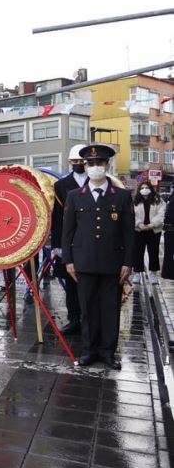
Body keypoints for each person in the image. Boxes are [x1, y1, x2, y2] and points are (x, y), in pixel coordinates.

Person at [62, 144, 134, 369]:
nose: (95, 167)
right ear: (85, 165)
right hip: (83, 262)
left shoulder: (121, 196)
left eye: (99, 163)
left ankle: (108, 353)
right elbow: (68, 231)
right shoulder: (74, 196)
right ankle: (89, 351)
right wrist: (68, 260)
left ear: (107, 165)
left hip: (113, 263)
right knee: (87, 310)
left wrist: (128, 263)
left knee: (110, 309)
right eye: (90, 163)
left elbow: (129, 233)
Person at [51, 144, 88, 334]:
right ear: (69, 162)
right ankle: (74, 319)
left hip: (92, 242)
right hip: (70, 241)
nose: (78, 164)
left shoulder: (98, 181)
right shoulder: (60, 185)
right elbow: (57, 217)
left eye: (82, 161)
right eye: (75, 161)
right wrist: (57, 245)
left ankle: (89, 320)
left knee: (90, 284)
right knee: (71, 285)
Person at [132, 182, 165, 275]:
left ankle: (153, 273)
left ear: (151, 188)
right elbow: (131, 215)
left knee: (153, 252)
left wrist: (152, 224)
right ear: (139, 190)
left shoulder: (158, 200)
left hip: (154, 230)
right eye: (142, 188)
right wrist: (139, 224)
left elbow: (162, 214)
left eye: (146, 187)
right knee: (138, 252)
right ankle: (137, 273)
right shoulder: (135, 201)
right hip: (139, 230)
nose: (144, 189)